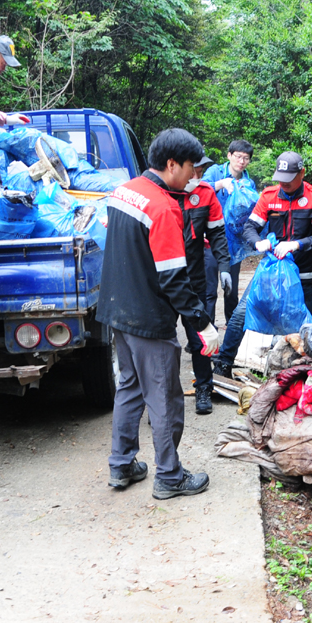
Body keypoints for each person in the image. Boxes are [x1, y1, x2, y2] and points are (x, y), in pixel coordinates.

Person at [100, 128, 219, 500]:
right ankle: (169, 476)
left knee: (130, 388)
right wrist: (202, 323)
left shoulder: (126, 190)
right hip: (149, 318)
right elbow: (173, 279)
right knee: (165, 398)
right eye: (191, 169)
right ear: (171, 165)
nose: (195, 177)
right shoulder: (163, 207)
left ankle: (121, 465)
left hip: (118, 311)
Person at [214, 151, 312, 375]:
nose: (284, 184)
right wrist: (257, 242)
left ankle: (305, 371)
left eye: (289, 180)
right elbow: (250, 227)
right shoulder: (270, 196)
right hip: (269, 273)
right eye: (280, 179)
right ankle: (223, 364)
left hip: (301, 275)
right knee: (242, 313)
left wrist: (296, 244)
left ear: (302, 173)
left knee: (302, 325)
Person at [181, 155, 230, 415]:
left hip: (194, 276)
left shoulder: (205, 193)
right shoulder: (159, 192)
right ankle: (162, 399)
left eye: (200, 169)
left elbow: (216, 233)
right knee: (162, 343)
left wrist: (224, 266)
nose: (197, 174)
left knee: (199, 335)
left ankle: (203, 388)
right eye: (194, 168)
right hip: (163, 279)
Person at [202, 139, 255, 323]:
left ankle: (231, 327)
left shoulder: (248, 183)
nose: (241, 161)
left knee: (230, 288)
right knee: (209, 289)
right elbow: (198, 191)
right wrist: (221, 184)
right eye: (238, 156)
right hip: (210, 239)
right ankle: (206, 330)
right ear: (229, 155)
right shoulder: (215, 172)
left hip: (233, 243)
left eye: (246, 158)